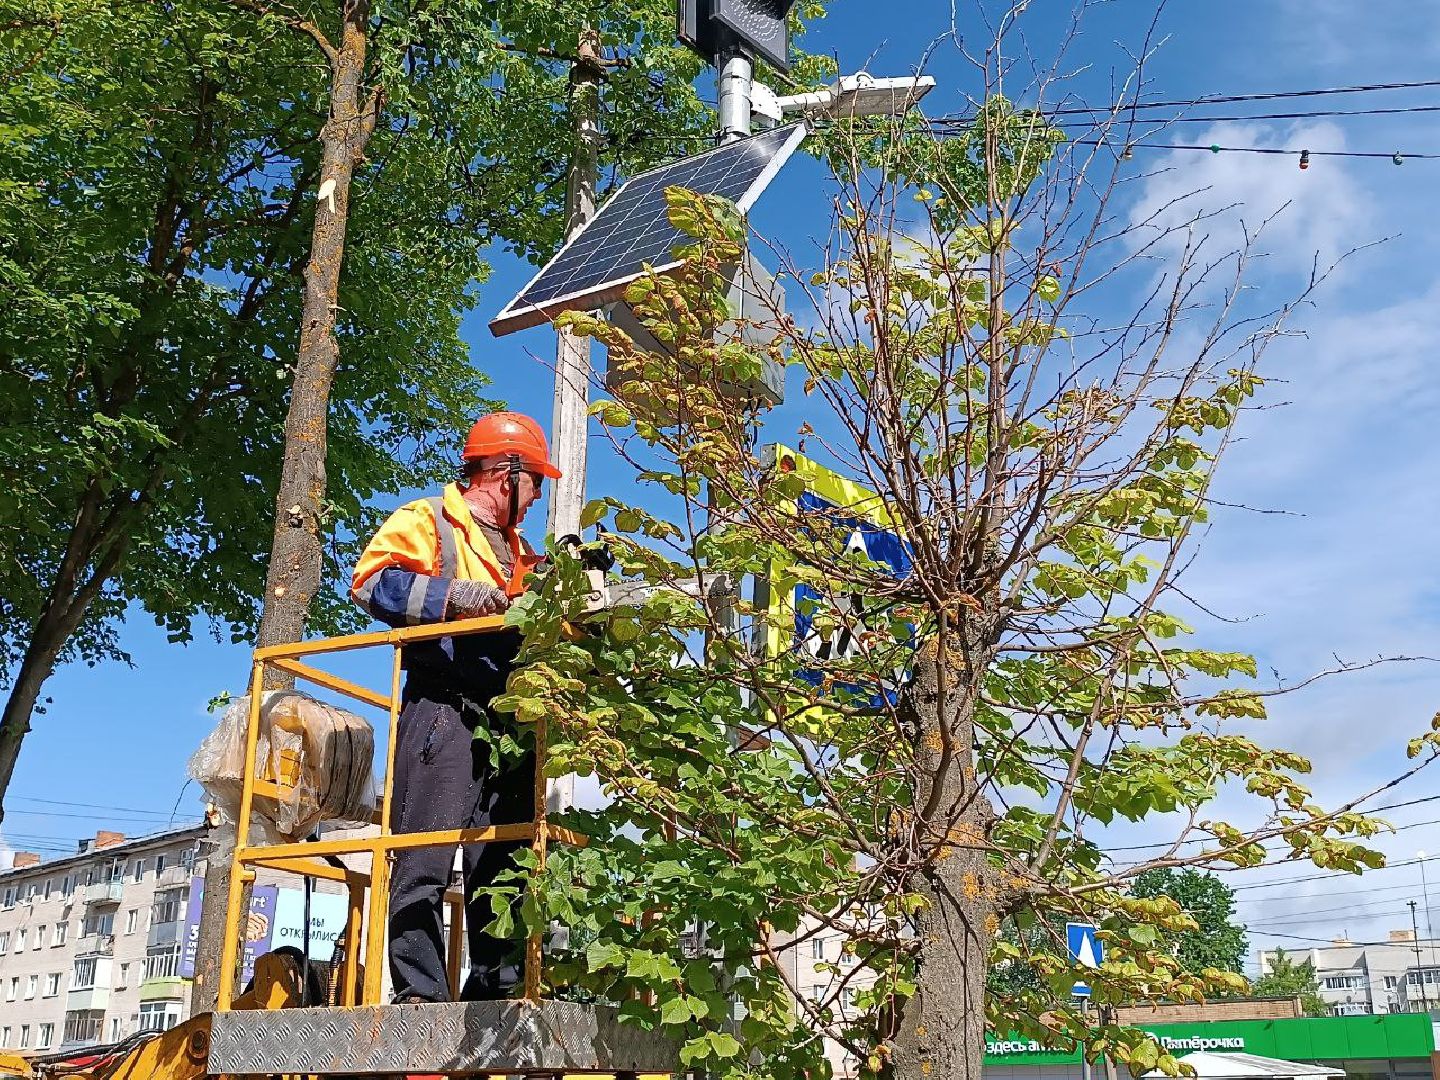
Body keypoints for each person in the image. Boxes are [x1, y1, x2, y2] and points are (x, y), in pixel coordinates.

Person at [350, 410, 561, 1003]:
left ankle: (495, 987)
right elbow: (370, 583)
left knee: (504, 854)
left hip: (508, 716)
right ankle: (420, 992)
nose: (538, 496)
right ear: (505, 473)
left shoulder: (522, 552)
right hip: (442, 705)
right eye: (536, 481)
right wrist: (453, 597)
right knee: (423, 852)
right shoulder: (430, 520)